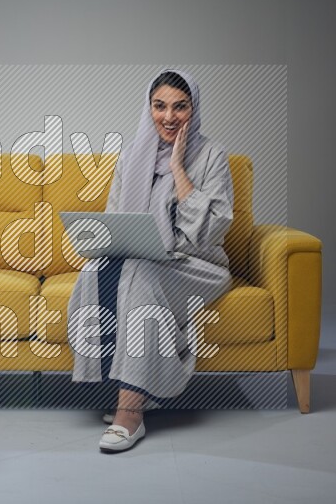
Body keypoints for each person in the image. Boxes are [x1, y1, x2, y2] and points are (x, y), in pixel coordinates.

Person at [67, 69, 235, 453]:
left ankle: (131, 411)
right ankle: (124, 387)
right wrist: (106, 243)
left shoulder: (211, 155)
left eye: (180, 107)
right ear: (149, 108)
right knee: (95, 273)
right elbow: (115, 221)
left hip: (198, 266)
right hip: (145, 259)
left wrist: (178, 168)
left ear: (193, 109)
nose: (169, 117)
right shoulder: (132, 156)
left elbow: (208, 231)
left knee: (141, 273)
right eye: (159, 106)